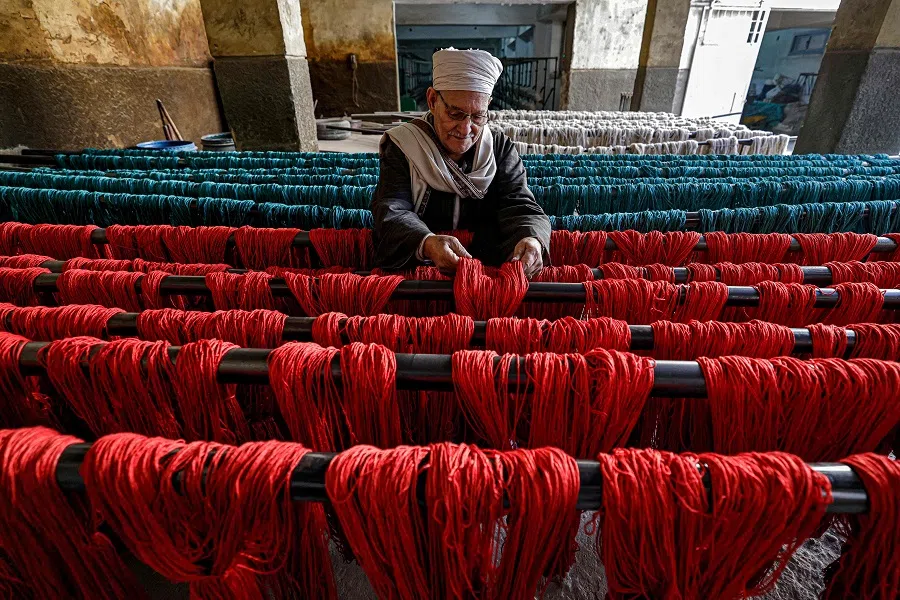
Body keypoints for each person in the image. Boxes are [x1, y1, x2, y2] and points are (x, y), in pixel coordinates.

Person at [371, 48, 551, 278]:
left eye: (478, 116)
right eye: (455, 114)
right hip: (422, 275)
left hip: (485, 276)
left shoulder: (499, 148)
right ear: (432, 100)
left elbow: (520, 205)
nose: (466, 130)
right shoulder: (403, 146)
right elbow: (392, 210)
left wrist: (532, 238)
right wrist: (427, 243)